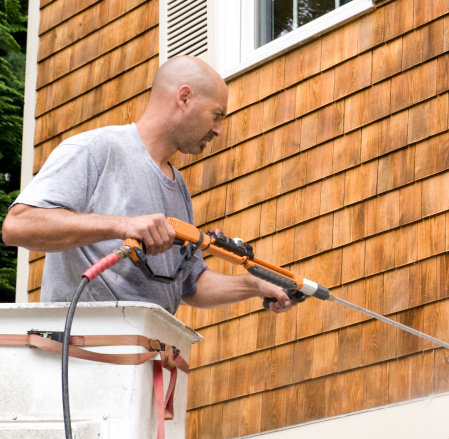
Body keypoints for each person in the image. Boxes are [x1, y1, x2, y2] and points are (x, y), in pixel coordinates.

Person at [2, 56, 295, 315]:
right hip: (82, 354)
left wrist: (253, 284)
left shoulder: (178, 187)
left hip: (148, 358)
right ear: (184, 98)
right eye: (217, 115)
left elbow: (190, 285)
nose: (219, 130)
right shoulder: (95, 149)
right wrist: (122, 226)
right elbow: (18, 226)